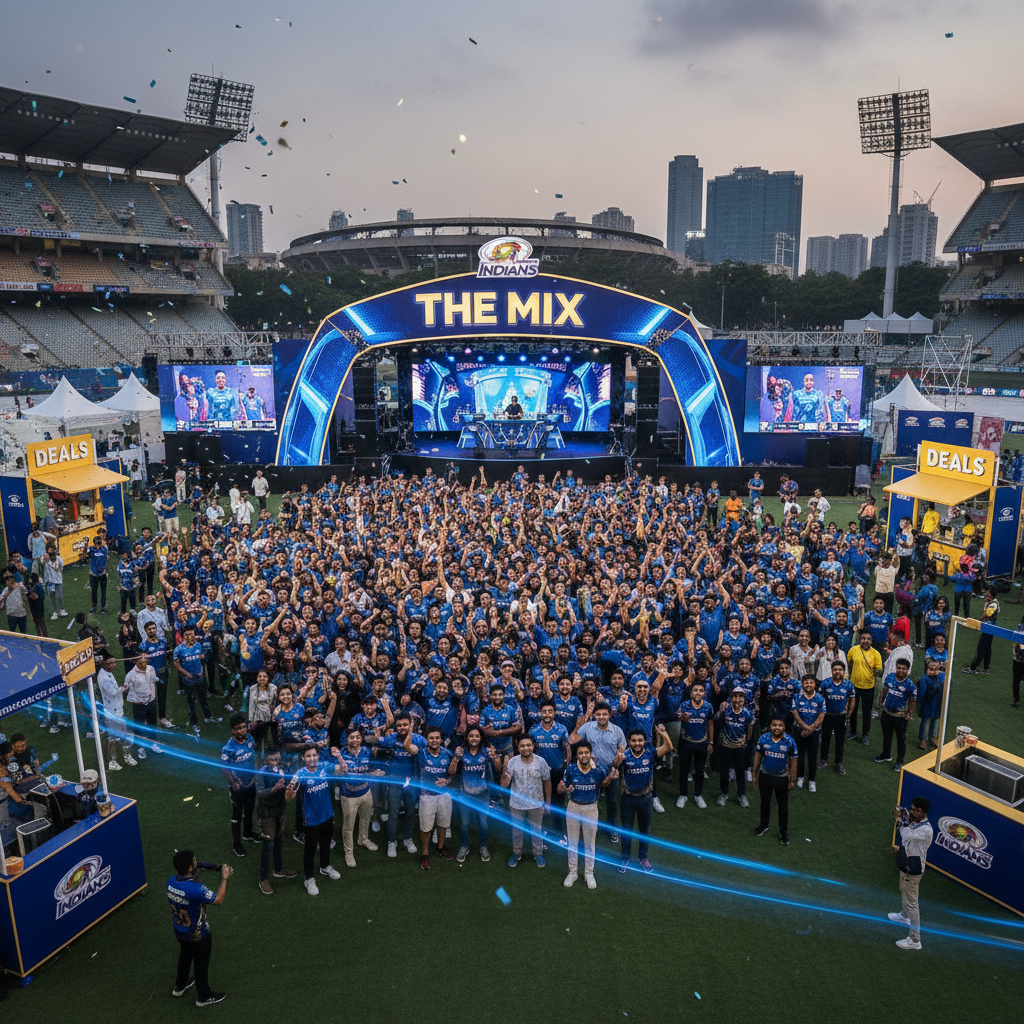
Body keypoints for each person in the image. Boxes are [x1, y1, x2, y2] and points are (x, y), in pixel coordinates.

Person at [166, 851, 230, 1006]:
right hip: (198, 934)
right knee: (201, 964)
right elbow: (218, 900)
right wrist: (224, 877)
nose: (197, 862)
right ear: (189, 867)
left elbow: (189, 881)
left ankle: (179, 986)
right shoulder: (197, 889)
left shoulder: (170, 882)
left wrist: (210, 867)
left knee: (185, 955)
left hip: (180, 931)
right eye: (194, 861)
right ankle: (204, 996)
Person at [285, 745, 344, 895]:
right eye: (308, 756)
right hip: (311, 820)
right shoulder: (300, 774)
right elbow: (288, 798)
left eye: (314, 755)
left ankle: (325, 866)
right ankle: (309, 879)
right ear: (303, 758)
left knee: (326, 844)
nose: (312, 759)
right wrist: (290, 789)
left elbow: (343, 769)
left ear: (318, 756)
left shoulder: (324, 767)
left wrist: (338, 756)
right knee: (310, 850)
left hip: (328, 815)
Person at [558, 740, 616, 888]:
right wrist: (563, 788)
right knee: (573, 842)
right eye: (581, 753)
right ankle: (573, 872)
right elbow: (561, 789)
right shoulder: (570, 769)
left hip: (591, 808)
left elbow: (602, 784)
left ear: (590, 754)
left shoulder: (598, 770)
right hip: (573, 807)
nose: (584, 755)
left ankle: (589, 873)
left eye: (586, 753)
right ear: (576, 755)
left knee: (590, 843)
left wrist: (609, 778)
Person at [618, 725, 672, 873]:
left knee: (644, 831)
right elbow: (614, 766)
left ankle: (643, 858)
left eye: (640, 740)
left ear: (644, 741)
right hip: (627, 799)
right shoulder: (625, 755)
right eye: (634, 740)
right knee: (626, 830)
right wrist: (617, 758)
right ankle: (625, 858)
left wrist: (663, 733)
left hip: (646, 799)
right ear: (629, 741)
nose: (637, 743)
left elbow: (668, 747)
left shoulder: (650, 753)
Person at [571, 703, 626, 844]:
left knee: (612, 801)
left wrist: (619, 756)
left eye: (604, 714)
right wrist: (577, 727)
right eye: (598, 714)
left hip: (611, 769)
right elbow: (571, 740)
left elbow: (622, 747)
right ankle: (586, 829)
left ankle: (612, 828)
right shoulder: (588, 727)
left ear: (610, 715)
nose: (601, 717)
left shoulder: (617, 731)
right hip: (591, 770)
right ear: (595, 715)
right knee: (588, 801)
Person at [403, 725, 455, 869]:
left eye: (437, 738)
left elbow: (453, 775)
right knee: (426, 827)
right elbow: (406, 745)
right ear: (427, 739)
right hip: (426, 796)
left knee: (443, 824)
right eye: (431, 738)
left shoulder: (448, 754)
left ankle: (440, 847)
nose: (434, 740)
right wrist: (411, 729)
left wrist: (447, 781)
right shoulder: (421, 752)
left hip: (444, 795)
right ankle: (425, 854)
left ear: (441, 739)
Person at [889, 797, 934, 950]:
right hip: (906, 862)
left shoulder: (926, 830)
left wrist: (900, 819)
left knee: (912, 903)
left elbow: (906, 835)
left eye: (916, 810)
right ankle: (904, 916)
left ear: (924, 812)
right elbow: (908, 830)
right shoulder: (916, 821)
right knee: (903, 889)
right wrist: (902, 813)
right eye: (912, 809)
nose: (913, 812)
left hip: (913, 869)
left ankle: (915, 940)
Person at [501, 734, 552, 868]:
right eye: (522, 745)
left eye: (528, 745)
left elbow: (547, 782)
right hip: (517, 804)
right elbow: (503, 785)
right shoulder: (512, 762)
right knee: (517, 830)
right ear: (518, 747)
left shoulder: (541, 761)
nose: (525, 748)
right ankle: (517, 853)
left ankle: (538, 853)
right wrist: (505, 777)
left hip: (537, 803)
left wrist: (548, 802)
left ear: (533, 746)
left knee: (536, 830)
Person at [255, 746, 297, 894]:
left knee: (279, 840)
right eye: (272, 757)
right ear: (267, 758)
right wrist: (274, 789)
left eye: (277, 756)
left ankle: (278, 869)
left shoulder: (284, 770)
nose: (275, 759)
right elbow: (259, 793)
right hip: (267, 814)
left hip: (280, 811)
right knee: (268, 845)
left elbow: (291, 784)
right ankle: (263, 878)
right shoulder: (261, 772)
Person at [752, 714, 798, 846]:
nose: (776, 728)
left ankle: (783, 832)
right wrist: (754, 774)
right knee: (764, 803)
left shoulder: (789, 741)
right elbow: (757, 757)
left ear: (784, 726)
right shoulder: (763, 739)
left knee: (783, 807)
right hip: (765, 776)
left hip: (782, 779)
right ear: (769, 726)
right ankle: (763, 825)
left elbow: (794, 762)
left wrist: (792, 780)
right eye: (774, 725)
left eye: (780, 725)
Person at [221, 714, 257, 858]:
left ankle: (248, 833)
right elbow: (224, 768)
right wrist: (233, 783)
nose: (243, 730)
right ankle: (237, 844)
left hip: (251, 782)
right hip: (238, 786)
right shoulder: (228, 748)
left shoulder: (249, 739)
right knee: (237, 815)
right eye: (239, 728)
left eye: (244, 727)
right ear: (232, 730)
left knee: (249, 810)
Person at [874, 658, 916, 771]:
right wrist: (881, 702)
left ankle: (899, 762)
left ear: (908, 670)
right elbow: (885, 690)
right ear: (896, 667)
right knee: (886, 736)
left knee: (900, 739)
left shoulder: (910, 685)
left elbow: (912, 701)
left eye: (903, 668)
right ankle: (886, 755)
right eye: (899, 668)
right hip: (887, 713)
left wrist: (909, 714)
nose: (901, 670)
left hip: (900, 717)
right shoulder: (890, 677)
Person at [715, 688, 754, 807]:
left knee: (740, 772)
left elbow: (750, 728)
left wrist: (744, 742)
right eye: (735, 697)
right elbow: (715, 719)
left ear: (744, 699)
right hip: (725, 746)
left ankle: (741, 795)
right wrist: (720, 711)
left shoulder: (747, 712)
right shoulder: (726, 709)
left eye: (740, 697)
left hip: (740, 747)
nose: (737, 700)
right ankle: (724, 793)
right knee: (724, 771)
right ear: (731, 698)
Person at [98, 655, 137, 771]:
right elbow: (113, 692)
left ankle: (126, 755)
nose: (114, 665)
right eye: (112, 663)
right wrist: (125, 687)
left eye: (114, 662)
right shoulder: (104, 677)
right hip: (112, 712)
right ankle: (112, 761)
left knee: (124, 733)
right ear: (105, 664)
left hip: (117, 709)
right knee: (113, 737)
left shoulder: (107, 673)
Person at [818, 659, 854, 774]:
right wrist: (821, 712)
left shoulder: (848, 684)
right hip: (827, 716)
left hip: (840, 717)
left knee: (840, 740)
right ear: (831, 671)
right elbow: (820, 698)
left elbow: (852, 698)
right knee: (825, 738)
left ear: (843, 671)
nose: (837, 672)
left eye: (840, 670)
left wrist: (850, 711)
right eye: (835, 669)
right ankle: (823, 759)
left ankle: (838, 763)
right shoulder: (825, 683)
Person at [847, 630, 882, 745]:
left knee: (867, 712)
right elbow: (848, 664)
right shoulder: (853, 650)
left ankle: (865, 734)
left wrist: (877, 672)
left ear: (871, 641)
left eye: (868, 639)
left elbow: (879, 670)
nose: (866, 641)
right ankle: (853, 731)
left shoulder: (876, 654)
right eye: (863, 638)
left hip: (869, 687)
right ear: (859, 639)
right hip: (854, 686)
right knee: (853, 710)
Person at [791, 674, 825, 791]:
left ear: (815, 684)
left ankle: (811, 780)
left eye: (811, 682)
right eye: (806, 683)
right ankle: (800, 776)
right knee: (799, 755)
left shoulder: (820, 698)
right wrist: (805, 728)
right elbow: (795, 714)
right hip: (799, 731)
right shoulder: (796, 697)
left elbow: (821, 716)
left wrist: (811, 729)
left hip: (814, 732)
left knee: (812, 756)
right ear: (802, 684)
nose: (808, 685)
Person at [963, 588, 1000, 675]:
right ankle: (986, 668)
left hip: (988, 629)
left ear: (991, 594)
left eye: (988, 592)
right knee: (987, 649)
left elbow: (986, 616)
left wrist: (973, 621)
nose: (986, 593)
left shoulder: (993, 604)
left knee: (981, 648)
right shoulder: (991, 603)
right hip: (989, 629)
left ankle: (973, 668)